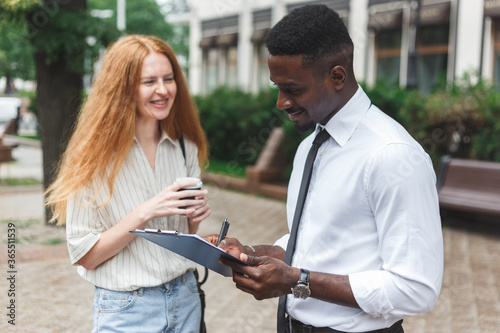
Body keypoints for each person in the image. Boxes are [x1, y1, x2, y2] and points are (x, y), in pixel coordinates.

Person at [211, 5, 443, 333]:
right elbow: (316, 241)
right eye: (277, 87)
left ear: (337, 76)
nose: (281, 102)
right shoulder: (311, 144)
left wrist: (296, 281)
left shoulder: (393, 156)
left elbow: (415, 290)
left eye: (292, 89)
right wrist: (250, 255)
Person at [45, 35, 210, 332]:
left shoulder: (184, 147)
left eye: (168, 78)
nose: (163, 90)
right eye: (149, 82)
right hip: (128, 309)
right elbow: (86, 256)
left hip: (185, 298)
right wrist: (145, 212)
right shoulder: (92, 158)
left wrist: (194, 223)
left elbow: (184, 237)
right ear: (123, 89)